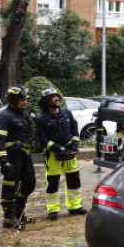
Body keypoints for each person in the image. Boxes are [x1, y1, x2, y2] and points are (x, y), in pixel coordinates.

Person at [35, 87, 86, 220]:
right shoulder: (41, 118)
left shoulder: (66, 113)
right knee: (53, 182)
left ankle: (75, 206)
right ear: (46, 101)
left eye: (57, 96)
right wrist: (57, 148)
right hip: (53, 155)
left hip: (69, 153)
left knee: (74, 179)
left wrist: (75, 143)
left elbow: (74, 129)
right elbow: (42, 139)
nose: (56, 98)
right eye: (52, 96)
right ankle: (52, 210)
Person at [0, 85, 35, 230]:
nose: (24, 102)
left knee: (29, 184)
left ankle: (18, 212)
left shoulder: (22, 114)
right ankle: (9, 218)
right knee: (10, 187)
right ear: (13, 100)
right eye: (21, 99)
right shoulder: (4, 116)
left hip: (24, 155)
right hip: (12, 157)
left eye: (25, 99)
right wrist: (3, 161)